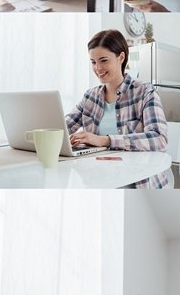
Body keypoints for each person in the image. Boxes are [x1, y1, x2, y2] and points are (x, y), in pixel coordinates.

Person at [67, 29, 171, 190]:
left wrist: (105, 140)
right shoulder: (90, 97)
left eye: (103, 60)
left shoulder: (144, 92)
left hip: (138, 183)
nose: (98, 68)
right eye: (93, 62)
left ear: (121, 58)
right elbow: (63, 127)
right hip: (100, 179)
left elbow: (159, 139)